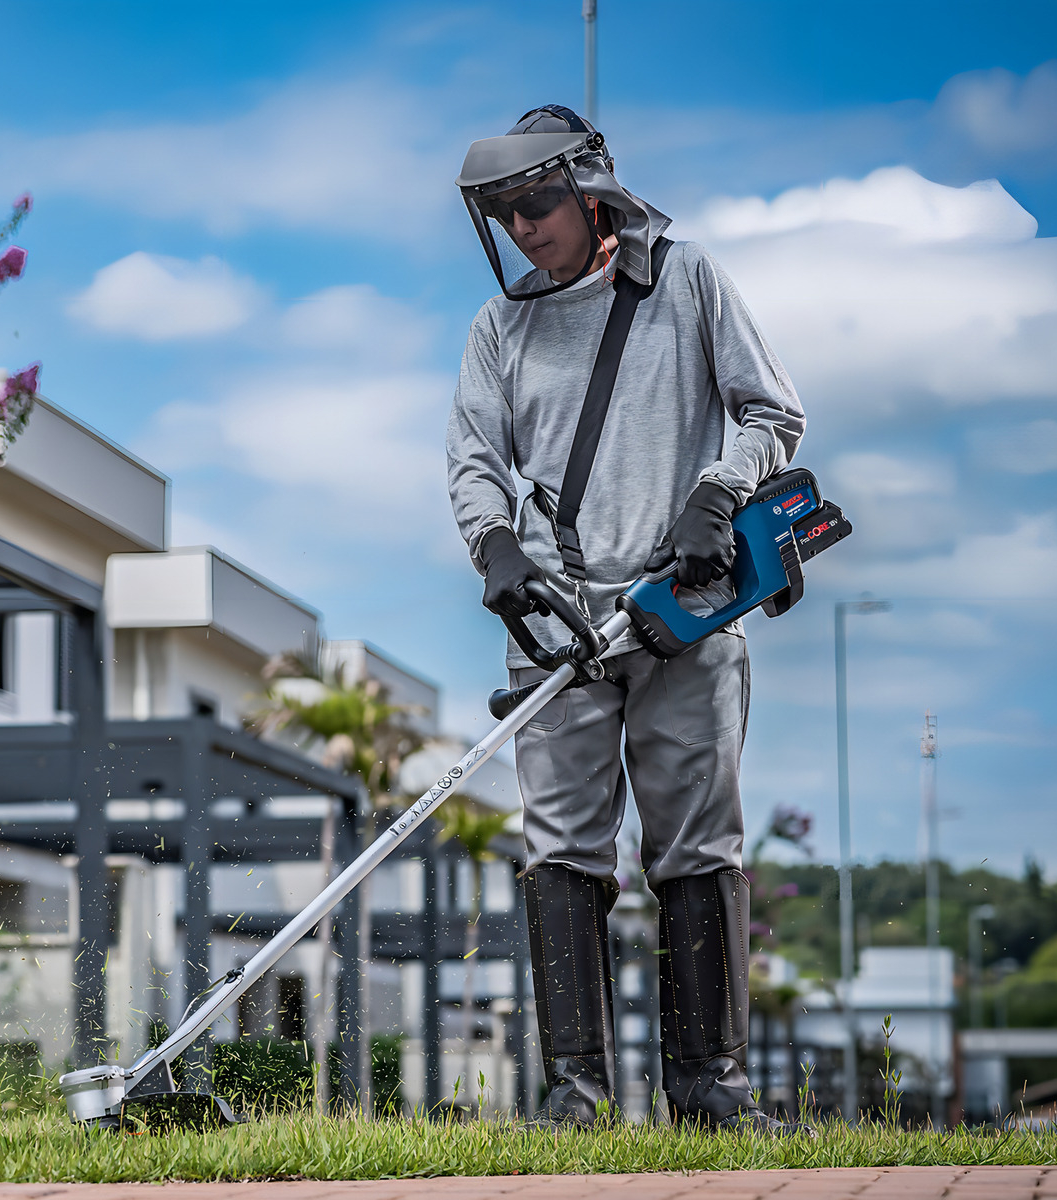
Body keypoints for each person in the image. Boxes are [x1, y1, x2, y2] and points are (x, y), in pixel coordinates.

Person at [446, 105, 806, 1129]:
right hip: (558, 631)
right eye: (504, 211)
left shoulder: (686, 282)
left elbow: (772, 411)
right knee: (561, 848)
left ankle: (709, 1087)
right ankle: (576, 1091)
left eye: (537, 202)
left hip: (682, 610)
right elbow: (475, 456)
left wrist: (717, 497)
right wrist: (497, 547)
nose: (523, 226)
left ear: (591, 188)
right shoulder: (499, 327)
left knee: (696, 847)